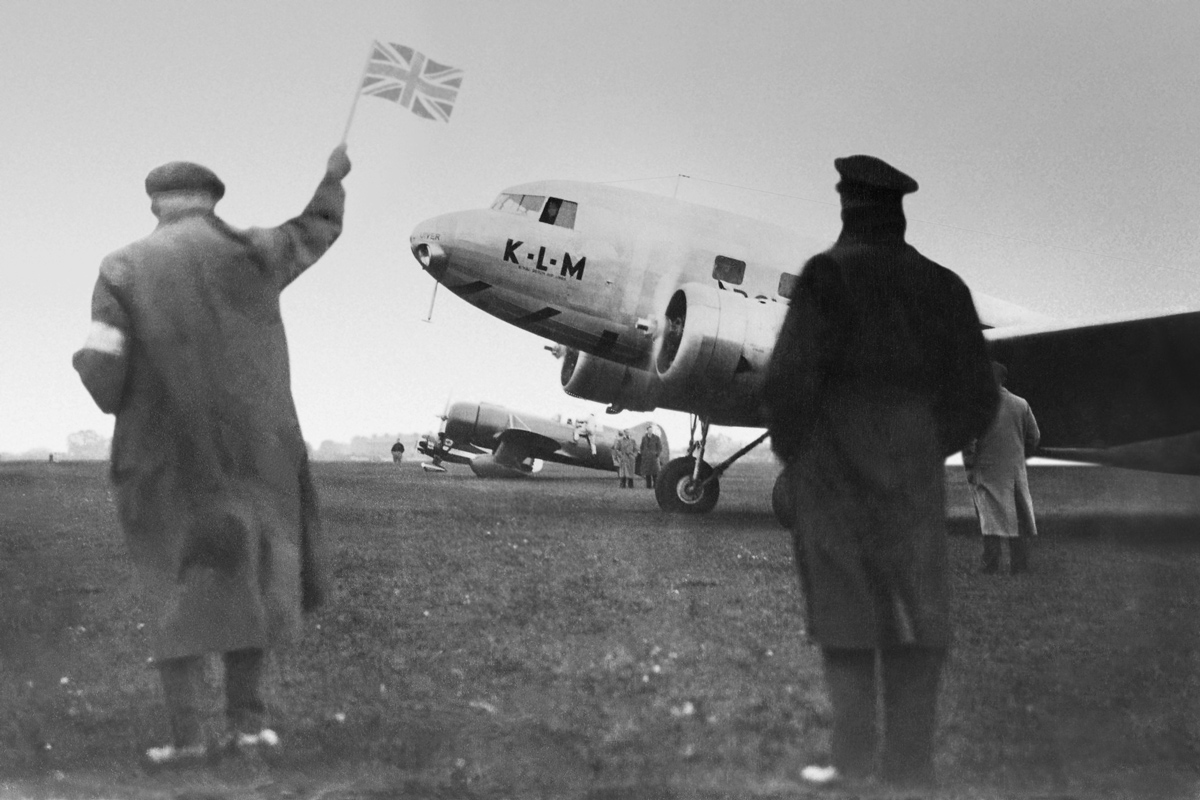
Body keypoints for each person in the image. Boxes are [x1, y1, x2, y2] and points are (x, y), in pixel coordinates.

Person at [72, 145, 351, 767]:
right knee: (251, 579)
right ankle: (249, 728)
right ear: (213, 200)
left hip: (164, 460)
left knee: (176, 587)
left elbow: (103, 370)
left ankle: (187, 737)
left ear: (155, 204)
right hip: (257, 457)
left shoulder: (122, 267)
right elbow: (316, 229)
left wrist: (90, 372)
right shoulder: (256, 252)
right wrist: (332, 178)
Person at [763, 155, 998, 789]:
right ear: (897, 210)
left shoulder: (826, 275)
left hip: (833, 475)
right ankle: (910, 769)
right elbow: (981, 394)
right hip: (912, 476)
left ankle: (853, 761)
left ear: (847, 207)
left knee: (845, 617)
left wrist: (803, 458)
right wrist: (924, 446)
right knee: (918, 617)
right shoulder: (945, 286)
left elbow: (786, 382)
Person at [963, 361, 1040, 575]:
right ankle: (1020, 565)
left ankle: (991, 565)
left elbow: (968, 442)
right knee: (1018, 518)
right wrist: (1019, 455)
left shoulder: (978, 405)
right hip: (1014, 470)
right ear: (1003, 379)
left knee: (990, 521)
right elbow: (1034, 437)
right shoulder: (1021, 404)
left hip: (986, 470)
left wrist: (970, 466)